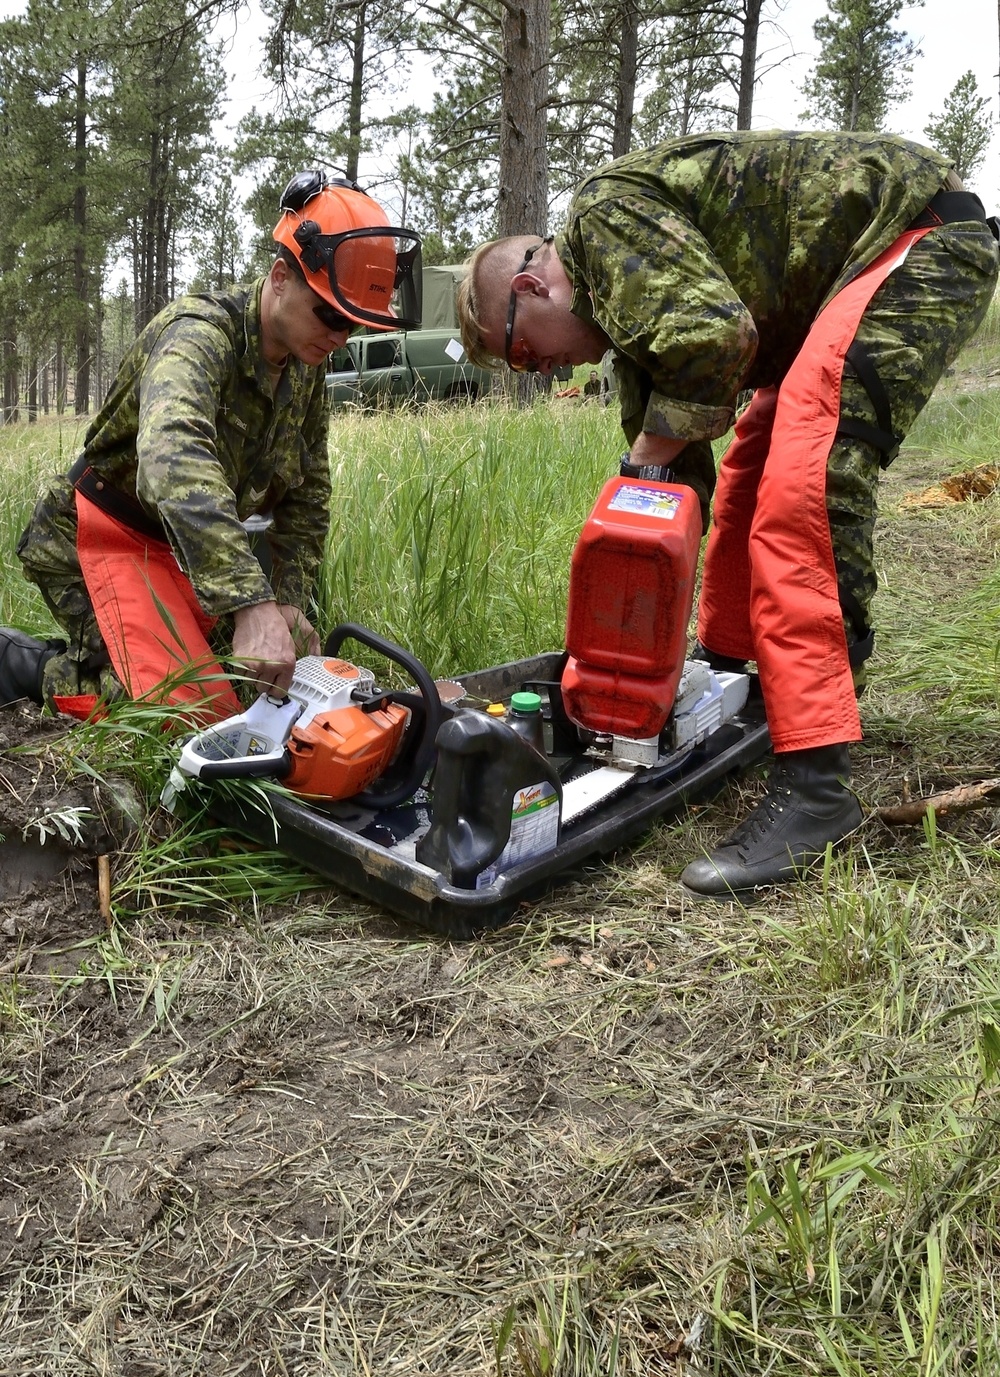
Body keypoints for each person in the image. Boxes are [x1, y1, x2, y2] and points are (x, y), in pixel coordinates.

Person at [456, 130, 999, 899]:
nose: (540, 372)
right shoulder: (631, 321)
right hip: (858, 276)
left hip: (915, 242)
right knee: (750, 469)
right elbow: (676, 484)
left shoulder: (599, 222)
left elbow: (717, 339)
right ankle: (741, 684)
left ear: (530, 289)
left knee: (802, 487)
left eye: (518, 354)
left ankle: (816, 790)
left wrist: (643, 459)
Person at [5, 171, 421, 722]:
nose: (340, 338)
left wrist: (289, 600)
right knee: (173, 713)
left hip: (187, 553)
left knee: (248, 685)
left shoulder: (306, 365)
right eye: (329, 316)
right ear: (279, 278)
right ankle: (21, 665)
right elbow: (172, 454)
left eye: (352, 325)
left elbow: (308, 491)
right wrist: (250, 603)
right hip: (101, 534)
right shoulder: (198, 335)